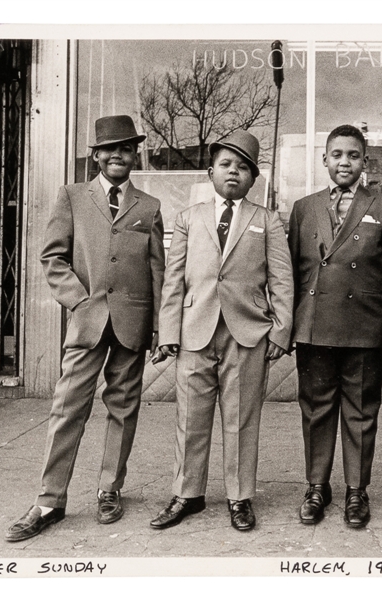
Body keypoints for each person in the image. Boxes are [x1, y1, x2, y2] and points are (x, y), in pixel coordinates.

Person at [6, 115, 165, 541]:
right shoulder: (72, 197)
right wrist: (78, 300)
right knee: (67, 407)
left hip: (133, 324)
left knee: (123, 407)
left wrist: (159, 329)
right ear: (95, 156)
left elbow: (157, 271)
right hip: (87, 321)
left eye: (126, 148)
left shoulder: (149, 207)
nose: (118, 155)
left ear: (135, 155)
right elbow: (52, 258)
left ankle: (109, 488)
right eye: (109, 148)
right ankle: (49, 500)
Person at [149, 130, 293, 532]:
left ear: (253, 179)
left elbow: (282, 280)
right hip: (195, 331)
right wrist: (168, 333)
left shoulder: (266, 220)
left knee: (242, 418)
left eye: (244, 167)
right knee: (190, 418)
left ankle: (239, 496)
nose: (235, 172)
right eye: (227, 164)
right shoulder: (188, 218)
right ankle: (187, 494)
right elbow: (174, 280)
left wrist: (280, 330)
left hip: (246, 332)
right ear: (210, 170)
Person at [287, 124, 382, 528]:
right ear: (324, 159)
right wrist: (288, 324)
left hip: (364, 324)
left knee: (360, 411)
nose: (344, 162)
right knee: (317, 410)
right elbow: (291, 272)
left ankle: (357, 491)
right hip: (314, 323)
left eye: (353, 155)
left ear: (364, 162)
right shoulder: (304, 208)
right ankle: (317, 487)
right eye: (337, 154)